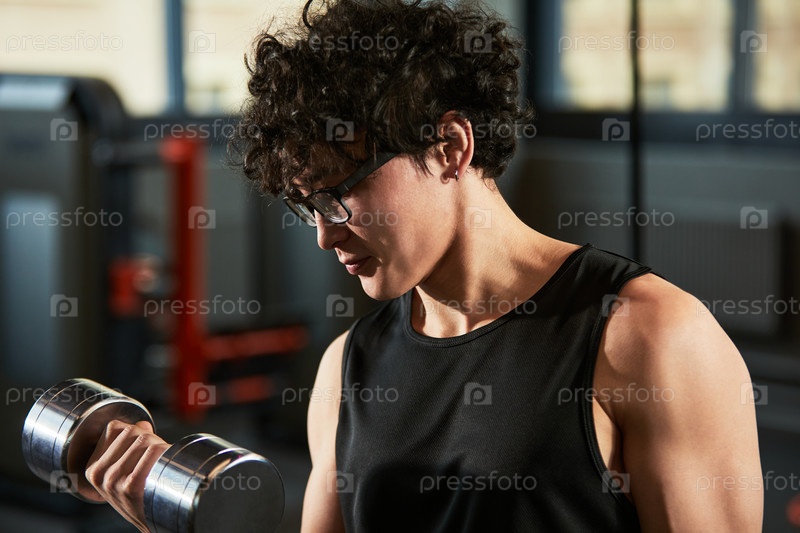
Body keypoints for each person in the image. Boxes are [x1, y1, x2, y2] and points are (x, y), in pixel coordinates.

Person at [85, 0, 763, 531]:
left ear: (450, 147)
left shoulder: (647, 336)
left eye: (339, 195)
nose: (324, 235)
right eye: (308, 205)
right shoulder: (346, 369)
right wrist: (181, 516)